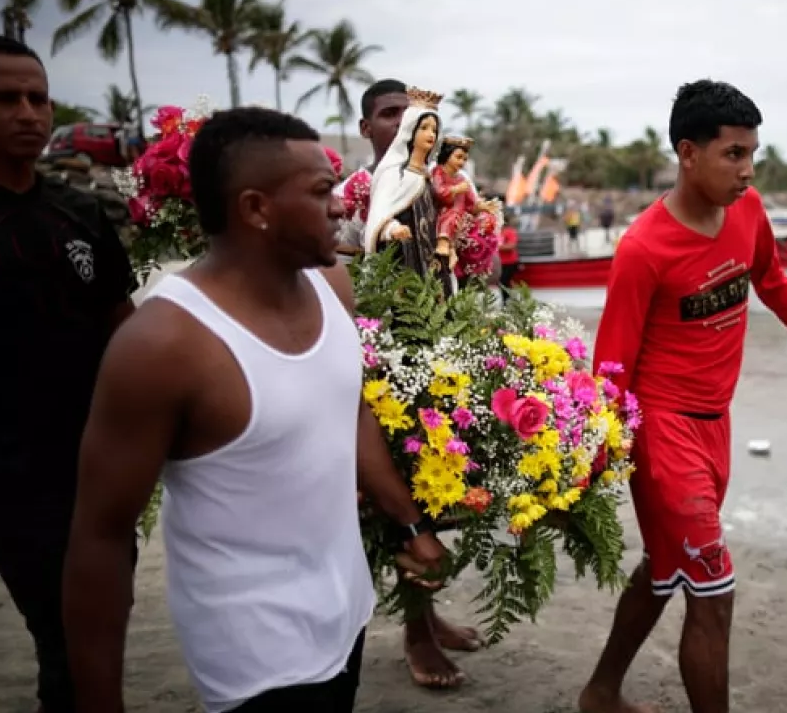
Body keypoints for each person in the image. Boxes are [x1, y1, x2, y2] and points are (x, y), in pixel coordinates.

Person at [62, 108, 449, 713]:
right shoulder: (165, 344)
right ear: (255, 209)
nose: (344, 205)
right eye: (322, 191)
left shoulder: (332, 286)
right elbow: (100, 538)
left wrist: (409, 525)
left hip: (344, 609)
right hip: (252, 650)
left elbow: (349, 411)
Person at [578, 80, 787, 713]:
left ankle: (599, 691)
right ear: (688, 152)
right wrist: (589, 465)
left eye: (752, 153)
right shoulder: (644, 249)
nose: (747, 169)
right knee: (713, 590)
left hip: (715, 425)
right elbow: (611, 368)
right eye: (733, 154)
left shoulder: (749, 210)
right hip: (663, 432)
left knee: (664, 568)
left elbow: (771, 280)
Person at [0, 35, 137, 713]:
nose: (28, 112)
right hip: (2, 467)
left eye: (38, 97)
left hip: (98, 455)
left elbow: (120, 317)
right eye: (5, 98)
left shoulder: (76, 210)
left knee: (104, 619)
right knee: (61, 629)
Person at [345, 79, 483, 688]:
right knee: (398, 499)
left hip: (439, 344)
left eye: (415, 114)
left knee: (437, 488)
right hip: (377, 359)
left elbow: (476, 263)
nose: (405, 123)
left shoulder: (440, 184)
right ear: (368, 128)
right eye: (389, 114)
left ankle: (425, 618)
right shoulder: (358, 192)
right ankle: (415, 633)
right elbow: (346, 258)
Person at [498, 212, 520, 295]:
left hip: (510, 262)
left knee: (504, 281)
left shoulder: (510, 231)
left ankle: (508, 300)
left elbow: (512, 245)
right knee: (502, 282)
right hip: (500, 263)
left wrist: (497, 247)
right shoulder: (497, 231)